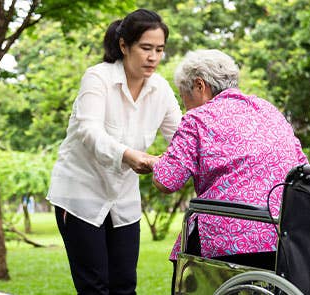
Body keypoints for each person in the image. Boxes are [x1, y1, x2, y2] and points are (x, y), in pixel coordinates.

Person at [46, 8, 182, 295]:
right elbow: (89, 131)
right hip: (80, 196)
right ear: (124, 46)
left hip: (123, 201)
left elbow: (183, 138)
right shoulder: (98, 78)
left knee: (124, 287)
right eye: (145, 48)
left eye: (159, 49)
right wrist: (130, 155)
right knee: (94, 287)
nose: (153, 57)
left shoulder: (161, 89)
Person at [149, 49, 308, 282]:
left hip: (225, 243)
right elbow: (301, 166)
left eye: (183, 96)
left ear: (200, 86)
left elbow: (166, 181)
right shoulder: (269, 110)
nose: (185, 105)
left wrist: (155, 162)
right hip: (279, 237)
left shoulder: (198, 119)